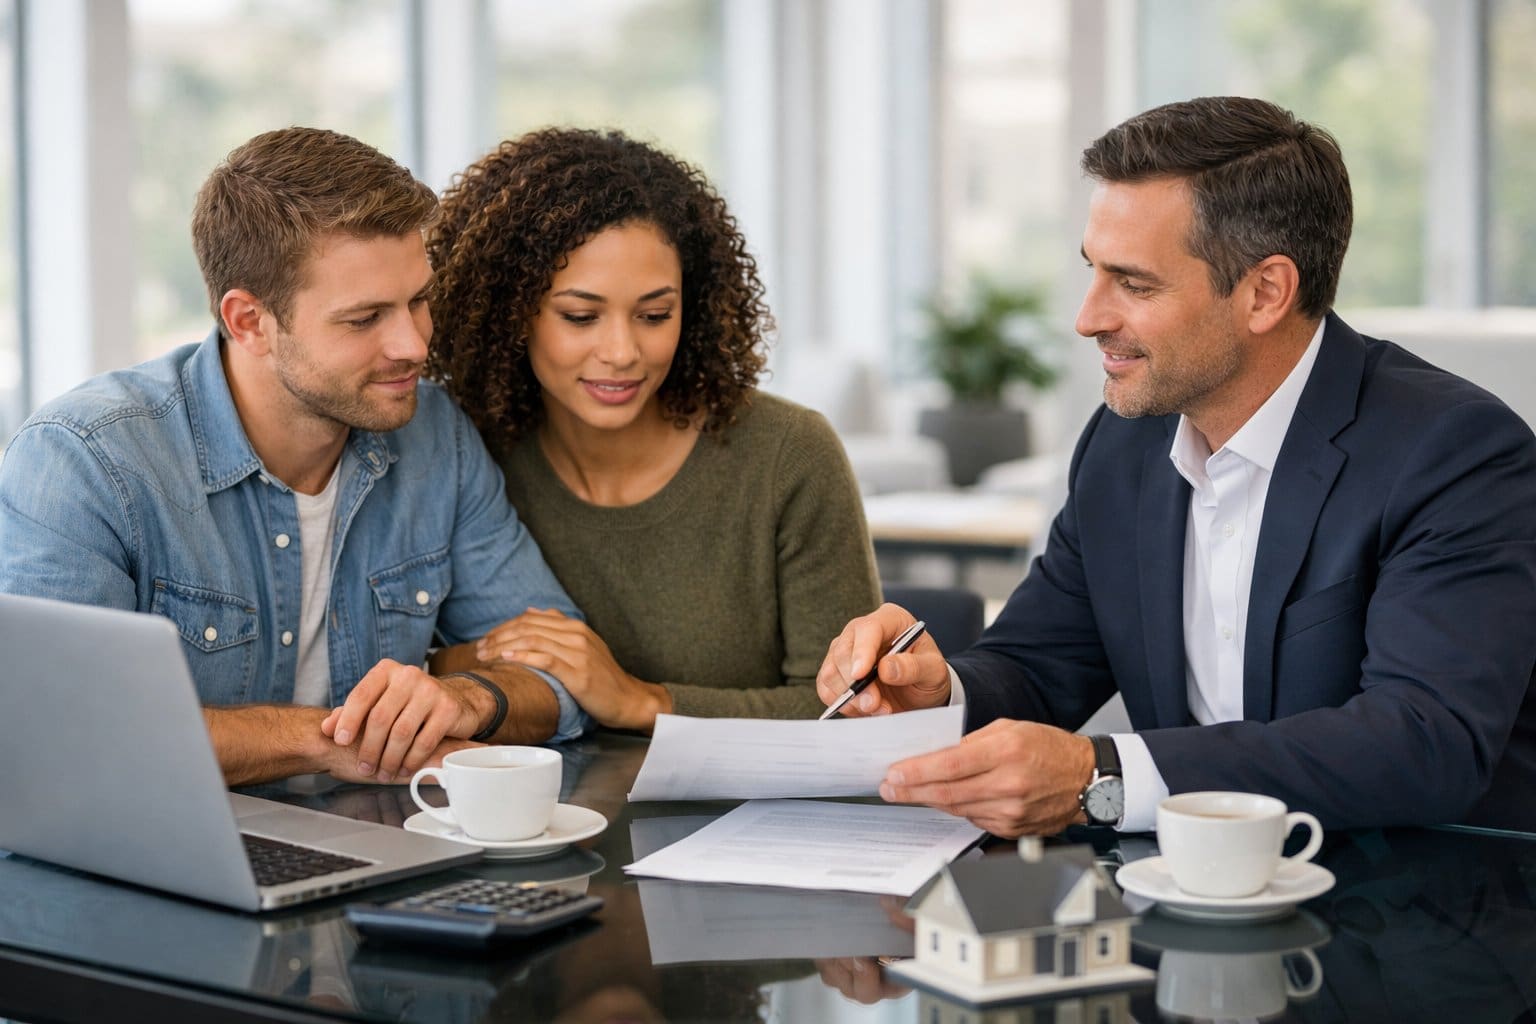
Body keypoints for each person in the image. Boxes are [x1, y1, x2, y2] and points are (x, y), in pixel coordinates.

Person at [817, 96, 1536, 836]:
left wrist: (1101, 777)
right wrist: (940, 691)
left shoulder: (1455, 454)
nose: (1088, 317)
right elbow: (1038, 664)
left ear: (1264, 293)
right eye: (1093, 271)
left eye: (1134, 283)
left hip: (1430, 906)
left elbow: (1423, 744)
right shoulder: (1122, 446)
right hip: (1189, 910)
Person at [0, 127, 588, 786]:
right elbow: (57, 730)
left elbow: (559, 674)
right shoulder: (85, 461)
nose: (415, 346)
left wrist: (468, 701)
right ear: (249, 321)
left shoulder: (436, 436)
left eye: (419, 301)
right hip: (150, 868)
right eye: (364, 319)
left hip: (378, 846)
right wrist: (334, 740)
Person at [425, 127, 880, 730]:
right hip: (549, 816)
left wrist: (643, 702)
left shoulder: (787, 455)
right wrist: (472, 659)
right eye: (581, 317)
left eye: (654, 315)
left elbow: (854, 715)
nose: (621, 351)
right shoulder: (468, 453)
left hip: (756, 820)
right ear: (512, 312)